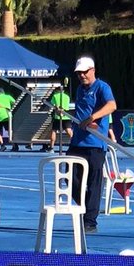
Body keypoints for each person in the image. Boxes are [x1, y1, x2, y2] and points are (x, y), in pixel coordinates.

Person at [67, 55, 116, 234]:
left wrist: (93, 118)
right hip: (77, 142)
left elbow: (112, 106)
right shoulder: (80, 89)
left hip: (95, 144)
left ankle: (90, 221)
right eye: (79, 73)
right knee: (69, 178)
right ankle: (83, 206)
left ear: (93, 70)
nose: (81, 76)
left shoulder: (102, 87)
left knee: (94, 183)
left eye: (84, 72)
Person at [47, 83, 71, 151]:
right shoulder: (67, 96)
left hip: (57, 116)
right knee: (69, 131)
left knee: (54, 131)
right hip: (66, 115)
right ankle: (75, 145)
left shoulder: (55, 96)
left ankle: (51, 147)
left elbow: (52, 104)